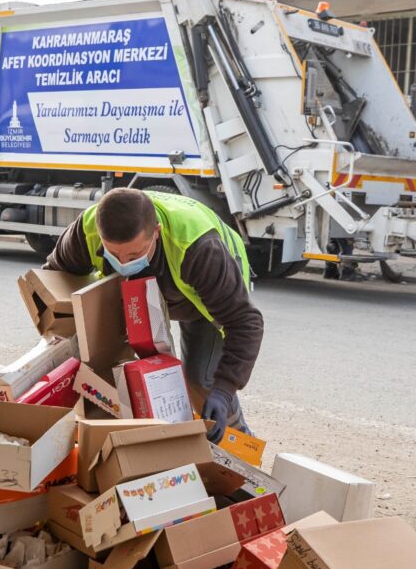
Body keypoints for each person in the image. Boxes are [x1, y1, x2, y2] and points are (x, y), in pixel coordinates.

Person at [45, 188, 263, 443]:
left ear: (156, 232)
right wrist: (57, 346)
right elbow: (52, 283)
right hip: (136, 294)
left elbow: (245, 323)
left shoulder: (200, 249)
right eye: (113, 254)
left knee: (203, 382)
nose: (123, 263)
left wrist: (224, 392)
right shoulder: (88, 229)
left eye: (134, 255)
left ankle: (242, 450)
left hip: (203, 300)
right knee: (120, 373)